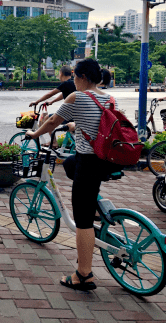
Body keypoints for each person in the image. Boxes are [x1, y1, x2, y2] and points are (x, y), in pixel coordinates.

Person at [26, 58, 120, 291]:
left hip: (89, 163)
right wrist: (74, 126)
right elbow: (100, 126)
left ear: (84, 77)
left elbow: (52, 122)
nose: (74, 80)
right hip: (106, 160)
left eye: (76, 76)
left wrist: (34, 134)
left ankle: (83, 275)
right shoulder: (109, 99)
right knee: (69, 164)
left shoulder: (76, 97)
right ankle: (95, 207)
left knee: (82, 221)